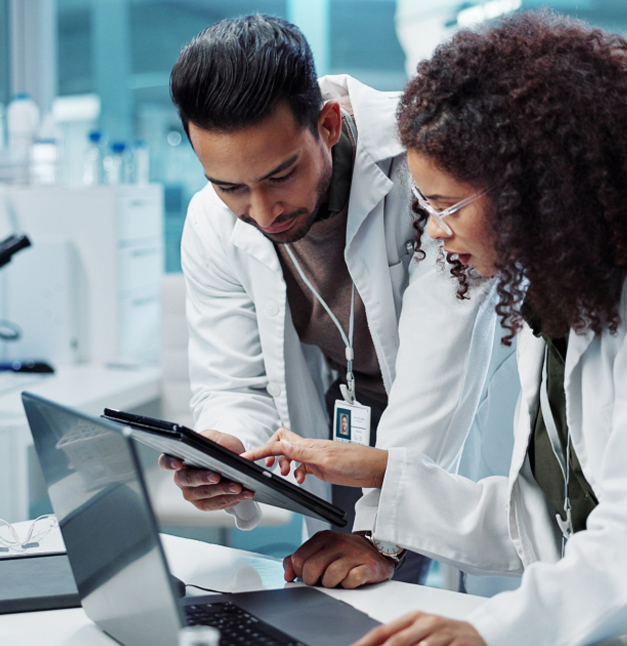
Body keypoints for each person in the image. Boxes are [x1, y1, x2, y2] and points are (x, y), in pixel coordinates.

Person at [244, 11, 627, 645]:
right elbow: (536, 525)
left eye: (446, 206)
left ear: (536, 191)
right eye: (425, 207)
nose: (433, 230)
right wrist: (382, 471)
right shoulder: (553, 313)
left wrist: (490, 633)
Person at [160, 14, 513, 586]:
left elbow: (440, 369)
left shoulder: (426, 161)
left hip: (462, 409)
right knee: (348, 595)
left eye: (280, 175)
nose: (263, 212)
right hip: (347, 419)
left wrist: (381, 536)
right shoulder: (210, 221)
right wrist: (226, 451)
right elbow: (234, 383)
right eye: (230, 186)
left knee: (477, 590)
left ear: (327, 124)